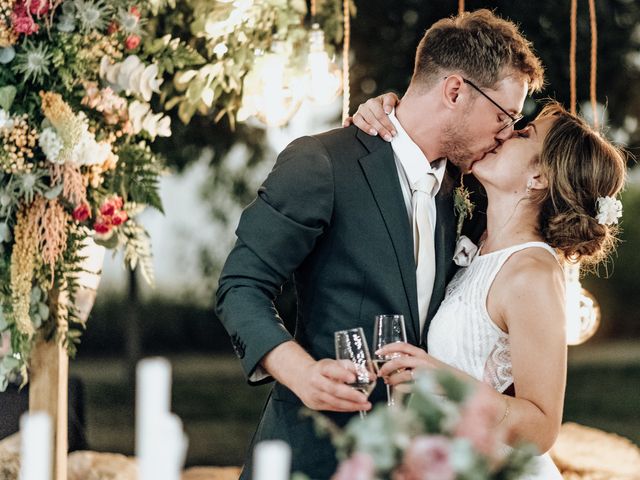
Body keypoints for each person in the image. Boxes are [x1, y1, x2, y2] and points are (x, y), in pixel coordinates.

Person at [216, 9, 544, 479]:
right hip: (312, 453)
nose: (507, 132)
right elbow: (241, 285)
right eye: (503, 115)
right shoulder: (323, 163)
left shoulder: (472, 190)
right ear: (454, 91)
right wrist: (300, 372)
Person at [352, 98, 626, 478]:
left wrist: (440, 377)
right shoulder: (475, 241)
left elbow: (542, 429)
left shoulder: (532, 273)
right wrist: (381, 110)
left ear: (539, 178)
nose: (506, 132)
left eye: (524, 133)